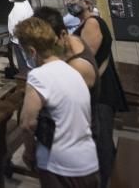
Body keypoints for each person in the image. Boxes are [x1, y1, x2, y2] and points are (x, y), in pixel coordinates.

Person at [15, 17, 99, 188]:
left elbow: (27, 124)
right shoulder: (72, 69)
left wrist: (29, 154)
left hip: (60, 163)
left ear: (32, 51)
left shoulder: (39, 76)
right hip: (88, 159)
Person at [65, 0, 126, 188]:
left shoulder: (91, 23)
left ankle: (105, 180)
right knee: (100, 136)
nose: (69, 2)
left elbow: (86, 58)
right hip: (98, 83)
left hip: (99, 88)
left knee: (101, 139)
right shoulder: (88, 22)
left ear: (87, 3)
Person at [8, 0, 35, 75]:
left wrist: (12, 33)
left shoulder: (18, 9)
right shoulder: (26, 3)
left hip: (19, 38)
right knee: (29, 60)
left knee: (23, 61)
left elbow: (15, 25)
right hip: (27, 35)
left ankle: (24, 80)